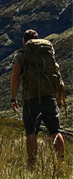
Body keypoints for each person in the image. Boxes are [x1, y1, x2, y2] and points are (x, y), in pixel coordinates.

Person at [10, 29, 65, 164]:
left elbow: (15, 79)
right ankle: (61, 161)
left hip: (31, 99)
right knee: (55, 131)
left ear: (24, 41)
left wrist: (13, 98)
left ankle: (32, 162)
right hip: (50, 97)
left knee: (31, 132)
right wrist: (58, 97)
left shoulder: (21, 56)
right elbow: (56, 75)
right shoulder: (47, 54)